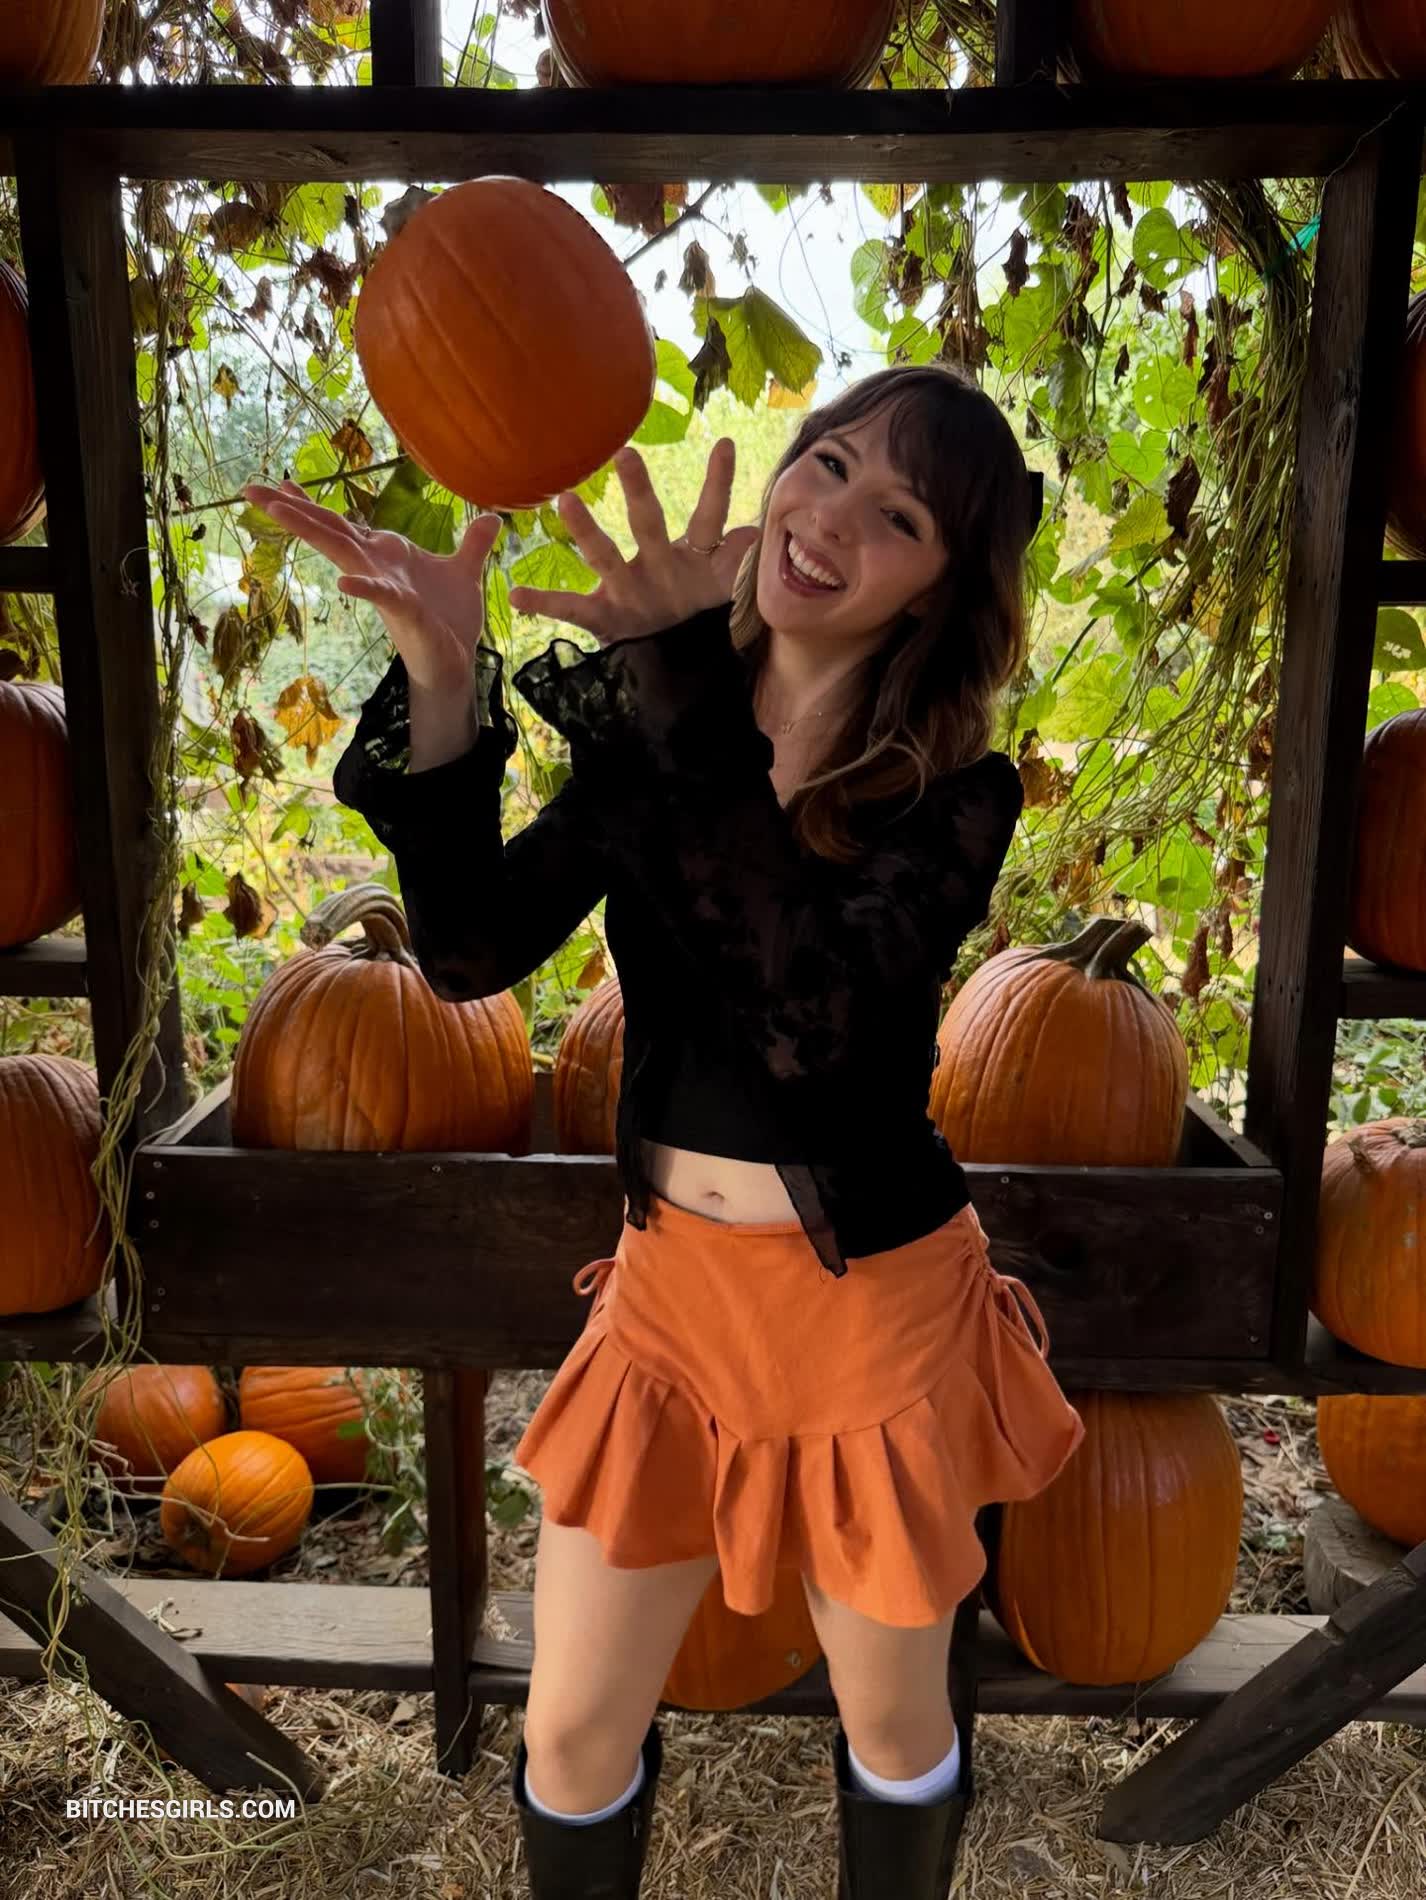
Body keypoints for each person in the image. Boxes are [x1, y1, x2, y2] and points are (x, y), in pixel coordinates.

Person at [244, 362, 1086, 1899]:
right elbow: (469, 950)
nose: (833, 518)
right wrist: (444, 676)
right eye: (826, 463)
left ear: (935, 592)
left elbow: (807, 1028)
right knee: (570, 1730)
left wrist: (682, 684)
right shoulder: (653, 740)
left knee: (892, 1718)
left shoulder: (952, 798)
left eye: (898, 516)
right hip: (671, 1303)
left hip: (873, 1321)